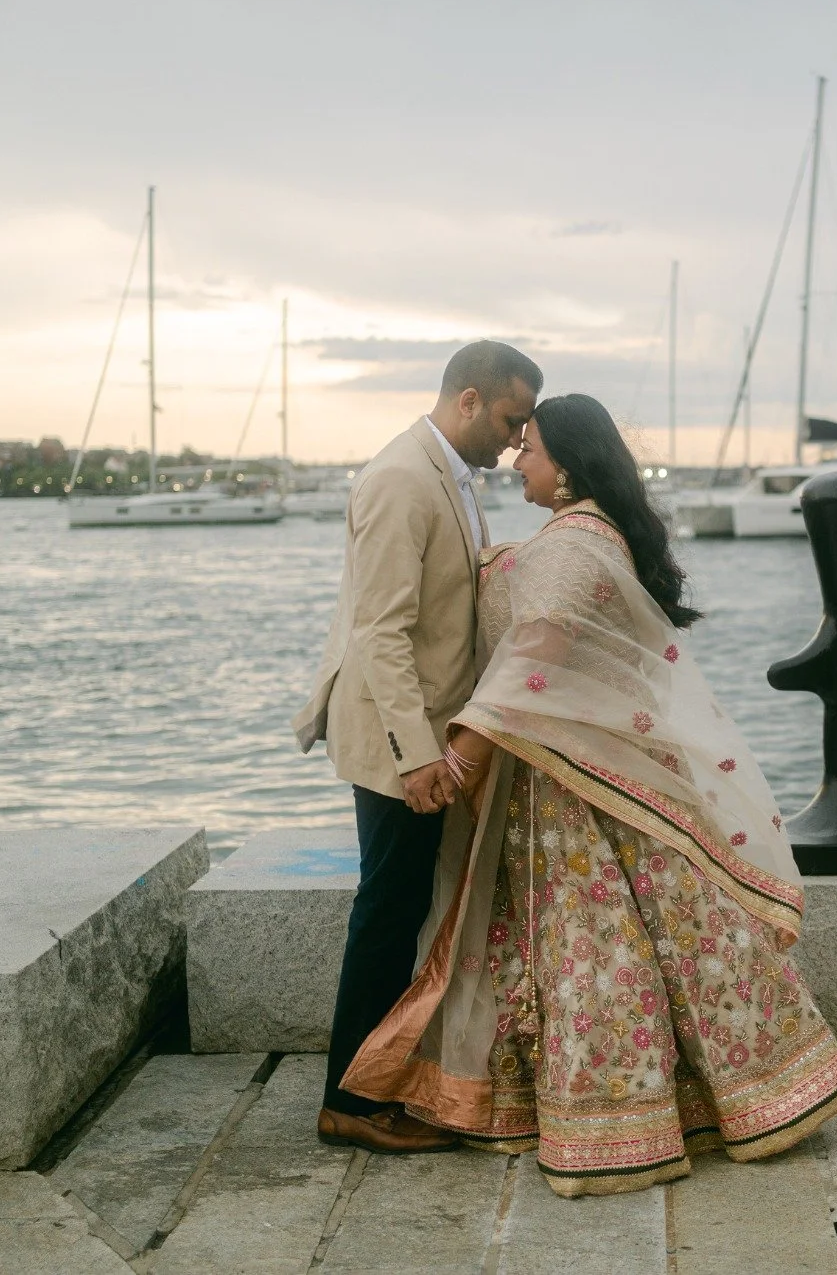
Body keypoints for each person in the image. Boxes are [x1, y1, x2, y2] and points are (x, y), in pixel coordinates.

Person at [341, 393, 837, 1195]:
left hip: (574, 790)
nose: (519, 458)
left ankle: (618, 1125)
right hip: (575, 769)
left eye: (533, 449)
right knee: (606, 943)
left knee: (593, 945)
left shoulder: (576, 545)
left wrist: (461, 752)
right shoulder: (582, 535)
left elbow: (533, 659)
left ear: (571, 467)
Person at [293, 339, 543, 1154]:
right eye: (510, 419)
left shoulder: (453, 478)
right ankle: (349, 1103)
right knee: (388, 911)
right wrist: (416, 755)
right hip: (397, 737)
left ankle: (375, 1084)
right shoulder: (403, 478)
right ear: (468, 398)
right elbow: (383, 633)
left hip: (427, 730)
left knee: (400, 907)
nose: (515, 439)